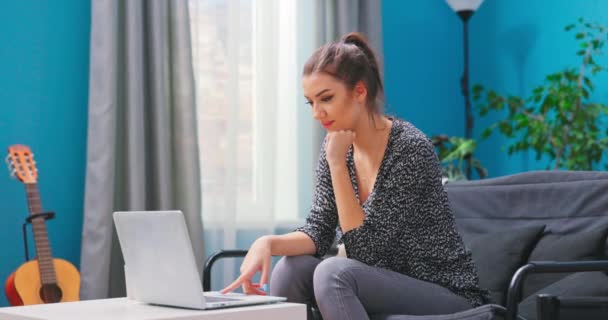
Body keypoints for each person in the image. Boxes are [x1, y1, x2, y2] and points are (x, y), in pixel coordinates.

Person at [221, 32, 490, 320]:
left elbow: (367, 252)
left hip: (444, 293)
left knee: (333, 274)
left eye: (326, 98)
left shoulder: (410, 148)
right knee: (291, 269)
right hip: (379, 282)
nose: (317, 113)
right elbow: (319, 229)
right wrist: (267, 243)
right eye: (310, 102)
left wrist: (337, 165)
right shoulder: (335, 147)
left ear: (359, 92)